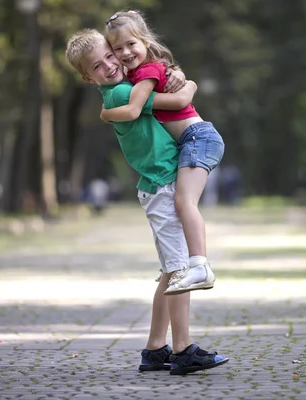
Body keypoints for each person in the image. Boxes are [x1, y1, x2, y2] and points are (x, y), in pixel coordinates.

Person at [65, 29, 228, 375]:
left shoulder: (117, 93)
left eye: (110, 56)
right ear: (86, 76)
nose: (110, 65)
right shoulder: (124, 92)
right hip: (163, 183)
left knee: (171, 271)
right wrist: (189, 86)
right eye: (98, 65)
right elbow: (178, 100)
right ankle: (183, 350)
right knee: (181, 271)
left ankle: (155, 349)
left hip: (158, 184)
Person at [101, 10, 225, 296]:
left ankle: (199, 265)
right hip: (192, 140)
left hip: (198, 138)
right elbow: (177, 83)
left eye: (130, 44)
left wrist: (106, 114)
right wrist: (184, 78)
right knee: (183, 203)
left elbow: (134, 109)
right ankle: (190, 264)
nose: (125, 52)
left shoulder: (144, 74)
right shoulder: (141, 74)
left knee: (183, 202)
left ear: (145, 40)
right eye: (117, 49)